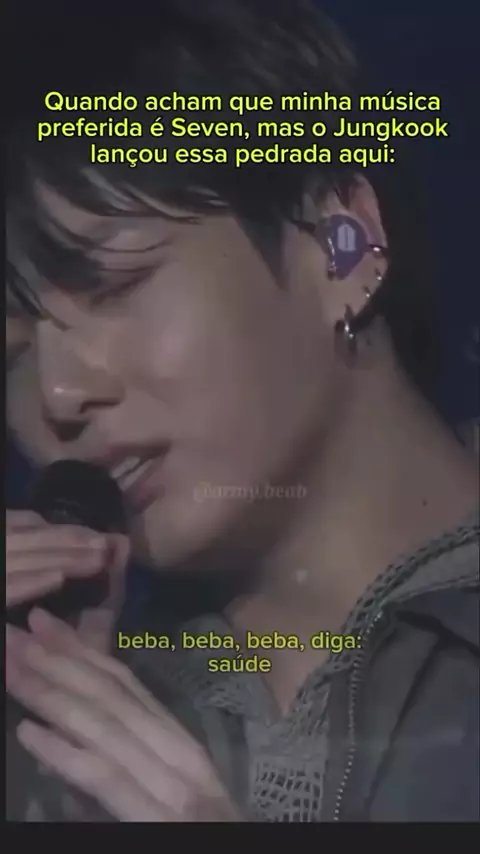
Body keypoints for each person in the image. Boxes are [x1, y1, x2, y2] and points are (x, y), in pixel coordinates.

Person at [6, 0, 479, 822]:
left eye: (112, 286)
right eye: (8, 357)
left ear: (340, 246)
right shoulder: (70, 717)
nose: (58, 395)